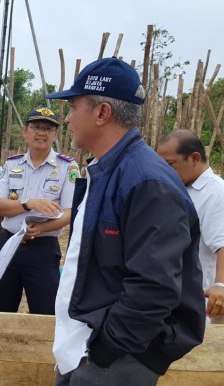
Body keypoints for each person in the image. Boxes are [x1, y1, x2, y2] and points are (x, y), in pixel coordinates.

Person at [44, 57, 205, 385]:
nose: (68, 118)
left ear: (102, 113)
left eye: (73, 107)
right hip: (86, 347)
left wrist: (104, 351)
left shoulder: (147, 182)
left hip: (117, 358)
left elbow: (154, 286)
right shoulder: (105, 171)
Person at [0, 108, 78, 315]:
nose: (42, 133)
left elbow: (70, 212)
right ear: (25, 131)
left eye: (48, 128)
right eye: (36, 127)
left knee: (45, 312)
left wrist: (41, 228)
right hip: (8, 244)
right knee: (2, 311)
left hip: (43, 250)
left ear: (55, 134)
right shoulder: (12, 164)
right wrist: (28, 204)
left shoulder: (67, 167)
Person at [157, 129, 224, 322]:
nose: (165, 171)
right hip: (174, 294)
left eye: (170, 164)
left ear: (194, 158)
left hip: (202, 301)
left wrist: (220, 285)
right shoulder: (177, 189)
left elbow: (222, 243)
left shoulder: (216, 193)